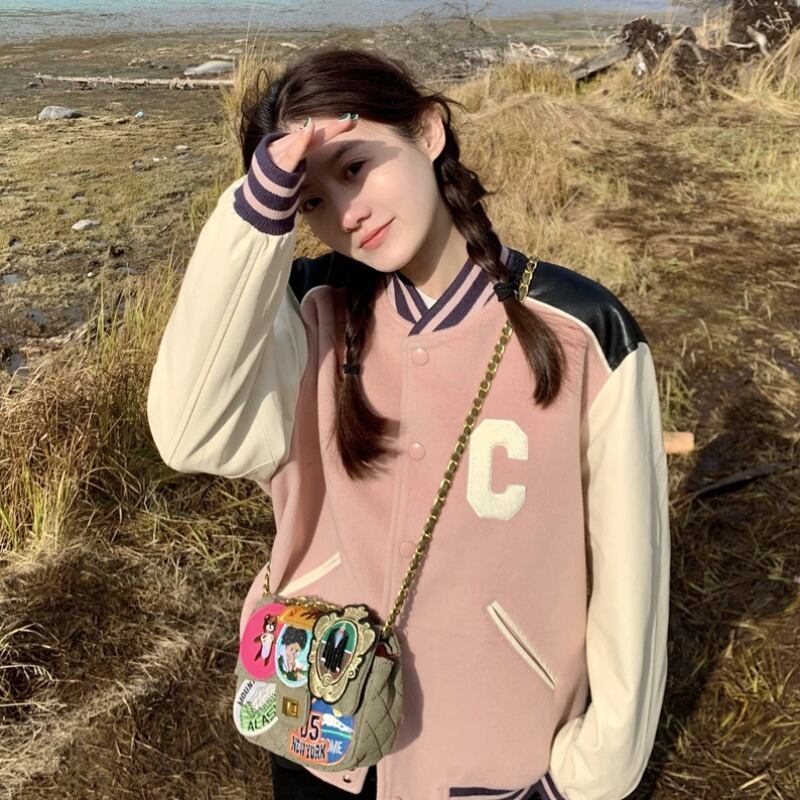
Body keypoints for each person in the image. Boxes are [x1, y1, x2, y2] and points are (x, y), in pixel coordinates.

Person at [147, 45, 670, 800]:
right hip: (314, 736)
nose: (346, 214)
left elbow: (631, 584)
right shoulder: (307, 315)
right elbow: (187, 430)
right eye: (310, 202)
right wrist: (258, 209)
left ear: (427, 131)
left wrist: (586, 780)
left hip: (493, 765)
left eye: (356, 167)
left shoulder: (583, 331)